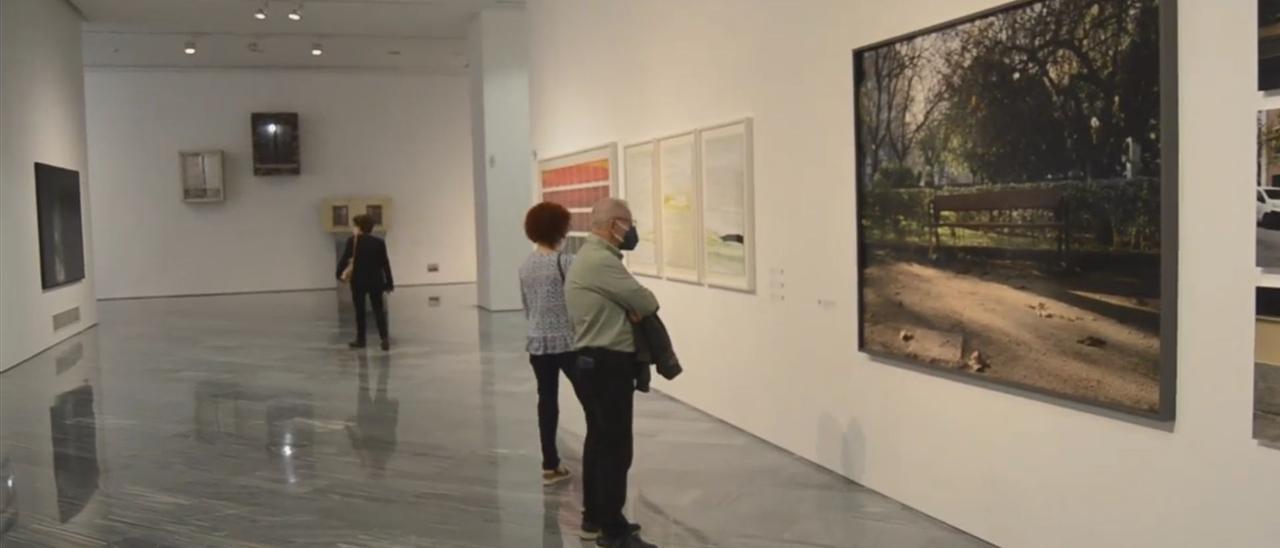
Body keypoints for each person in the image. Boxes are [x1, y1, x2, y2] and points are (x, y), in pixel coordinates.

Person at [565, 198, 660, 548]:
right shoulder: (601, 261)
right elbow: (646, 302)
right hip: (607, 364)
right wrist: (632, 306)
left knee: (599, 442)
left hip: (594, 362)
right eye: (629, 223)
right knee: (615, 447)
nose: (632, 230)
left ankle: (594, 518)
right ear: (613, 225)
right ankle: (612, 529)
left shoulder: (589, 258)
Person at [518, 202, 589, 486]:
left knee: (546, 401)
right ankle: (597, 457)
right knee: (590, 400)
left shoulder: (525, 266)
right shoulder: (566, 262)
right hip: (568, 342)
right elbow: (579, 303)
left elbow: (526, 307)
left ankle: (550, 464)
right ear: (559, 228)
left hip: (537, 342)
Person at [336, 214, 394, 350]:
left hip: (358, 281)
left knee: (360, 311)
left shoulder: (353, 241)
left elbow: (345, 259)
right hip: (376, 281)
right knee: (378, 310)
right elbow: (385, 263)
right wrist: (389, 282)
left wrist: (339, 274)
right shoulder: (379, 242)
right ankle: (384, 338)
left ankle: (361, 339)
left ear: (359, 227)